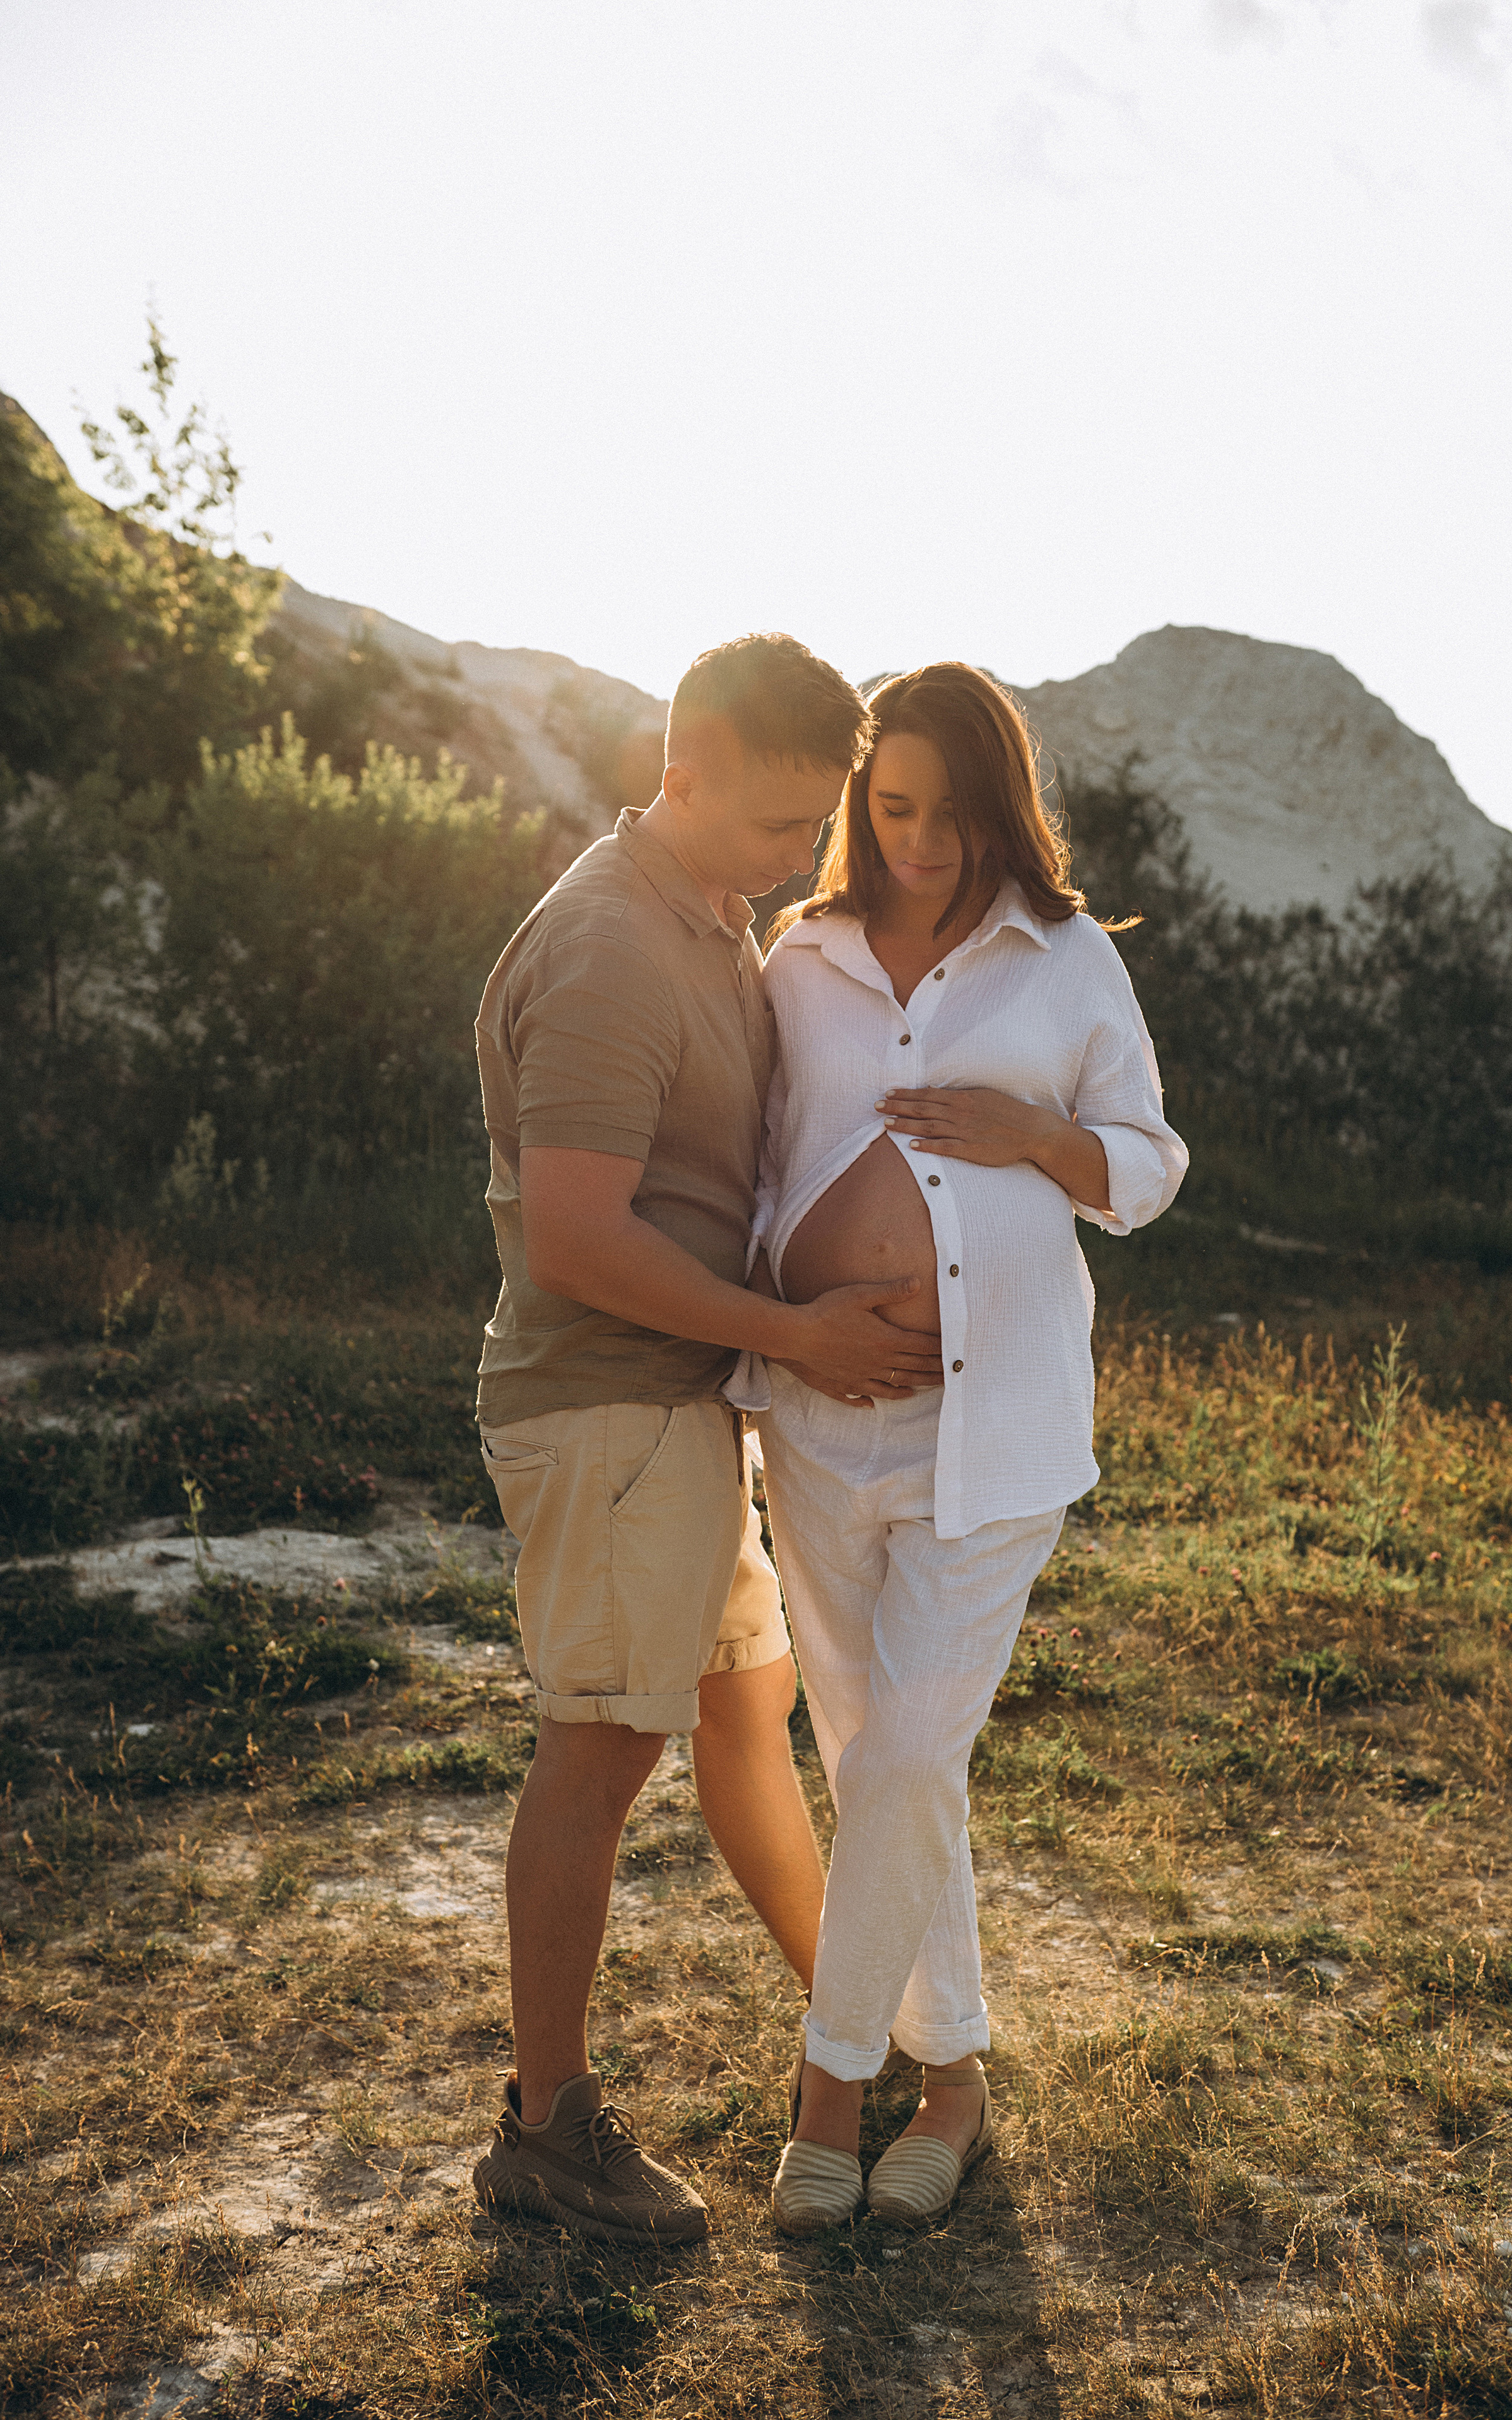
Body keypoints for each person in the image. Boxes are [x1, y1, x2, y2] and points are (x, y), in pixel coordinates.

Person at [469, 634, 946, 2245]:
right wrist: (802, 1334)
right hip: (605, 1403)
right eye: (767, 829)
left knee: (749, 1720)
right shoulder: (607, 947)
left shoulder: (708, 921)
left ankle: (861, 2027)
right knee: (598, 1752)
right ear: (677, 776)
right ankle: (546, 2130)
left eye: (809, 832)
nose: (790, 863)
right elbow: (577, 1241)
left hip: (683, 1407)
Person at [735, 662, 1188, 2231]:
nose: (918, 841)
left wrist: (1036, 1138)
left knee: (912, 1757)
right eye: (891, 805)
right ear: (862, 802)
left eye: (947, 808)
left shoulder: (1063, 962)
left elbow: (1144, 1164)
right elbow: (754, 1159)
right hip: (812, 1425)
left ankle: (828, 2092)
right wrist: (779, 1332)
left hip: (986, 1430)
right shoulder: (803, 957)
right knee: (879, 1773)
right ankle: (957, 2084)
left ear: (1000, 802)